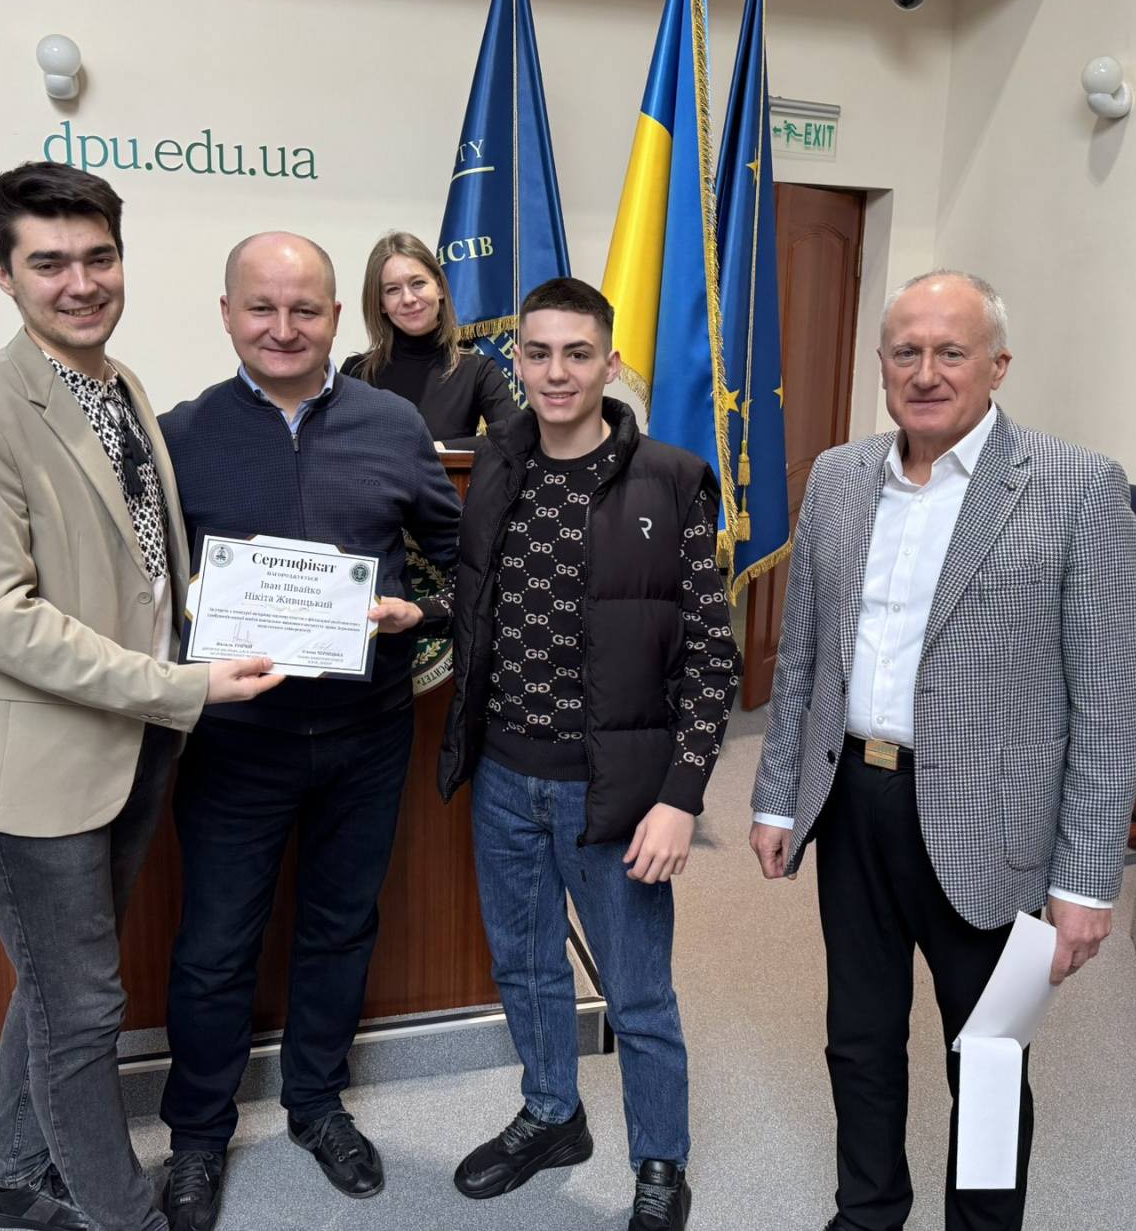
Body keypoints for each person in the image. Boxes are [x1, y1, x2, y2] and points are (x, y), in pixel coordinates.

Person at [0, 162, 281, 1231]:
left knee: (58, 986)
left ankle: (11, 1179)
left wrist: (274, 616)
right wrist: (179, 684)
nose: (80, 283)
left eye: (98, 257)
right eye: (49, 262)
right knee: (83, 1007)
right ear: (2, 275)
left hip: (134, 738)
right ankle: (123, 1215)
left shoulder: (120, 387)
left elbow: (143, 569)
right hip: (37, 762)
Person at [749, 270, 1136, 1231]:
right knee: (859, 1037)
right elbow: (803, 652)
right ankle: (868, 1211)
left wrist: (1087, 879)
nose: (926, 372)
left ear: (997, 365)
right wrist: (775, 794)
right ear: (882, 364)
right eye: (906, 352)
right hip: (854, 802)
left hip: (994, 826)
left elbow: (1109, 702)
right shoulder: (839, 476)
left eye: (951, 352)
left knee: (992, 1060)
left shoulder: (1078, 487)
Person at [155, 231, 463, 1229]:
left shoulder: (392, 424)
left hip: (367, 732)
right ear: (227, 314)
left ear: (336, 317)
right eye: (262, 307)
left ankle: (317, 1105)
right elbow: (140, 584)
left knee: (340, 925)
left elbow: (465, 555)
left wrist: (424, 613)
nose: (283, 328)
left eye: (305, 309)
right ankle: (198, 1136)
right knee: (214, 945)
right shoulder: (180, 435)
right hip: (235, 742)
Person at [439, 277, 740, 1231]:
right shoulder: (497, 462)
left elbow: (712, 657)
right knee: (526, 967)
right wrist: (421, 615)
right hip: (503, 775)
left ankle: (660, 1162)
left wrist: (680, 796)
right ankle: (551, 1112)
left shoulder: (673, 480)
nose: (557, 372)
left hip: (614, 791)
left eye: (578, 353)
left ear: (610, 363)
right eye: (538, 353)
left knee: (637, 993)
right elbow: (485, 598)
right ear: (516, 360)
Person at [341, 230, 518, 444]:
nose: (408, 299)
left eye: (418, 283)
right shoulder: (356, 373)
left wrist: (436, 450)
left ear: (440, 288)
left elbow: (515, 438)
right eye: (393, 290)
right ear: (381, 304)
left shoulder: (477, 370)